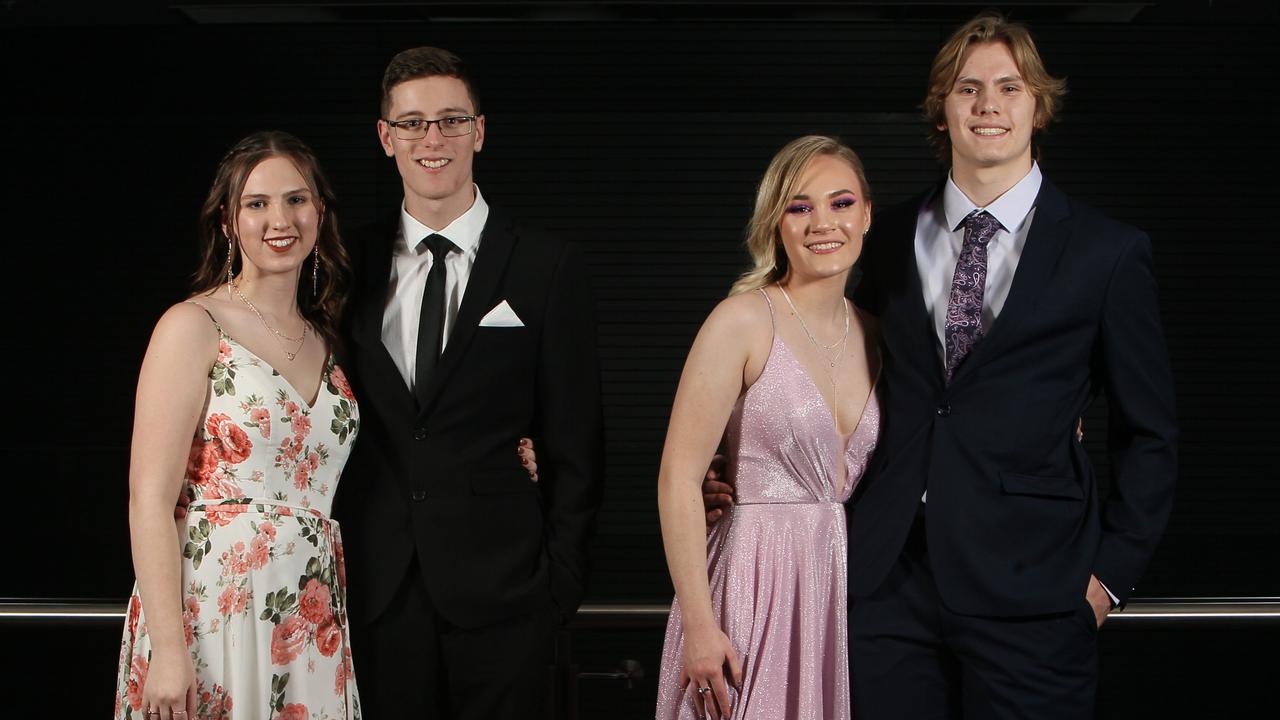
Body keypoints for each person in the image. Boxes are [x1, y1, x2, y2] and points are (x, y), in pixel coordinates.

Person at [706, 13, 1178, 719]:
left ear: (1037, 105)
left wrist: (1106, 582)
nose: (989, 105)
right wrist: (733, 458)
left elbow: (1151, 436)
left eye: (1009, 87)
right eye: (968, 88)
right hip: (887, 583)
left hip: (1035, 595)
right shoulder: (881, 237)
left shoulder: (1107, 255)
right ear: (942, 109)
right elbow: (812, 353)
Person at [334, 46, 604, 719]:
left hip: (507, 594)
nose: (433, 139)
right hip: (378, 589)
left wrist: (558, 584)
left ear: (479, 131)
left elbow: (577, 440)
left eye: (452, 121)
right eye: (413, 123)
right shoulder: (343, 264)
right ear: (385, 137)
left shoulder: (547, 266)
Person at [115, 131, 362, 719]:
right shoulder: (193, 323)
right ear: (228, 223)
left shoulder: (329, 340)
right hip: (211, 609)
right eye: (257, 204)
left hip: (308, 608)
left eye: (296, 200)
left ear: (319, 213)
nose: (280, 219)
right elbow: (148, 499)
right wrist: (169, 653)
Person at [654, 136, 880, 720]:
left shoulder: (880, 335)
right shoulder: (743, 320)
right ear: (775, 222)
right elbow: (679, 478)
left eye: (841, 202)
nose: (822, 222)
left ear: (867, 215)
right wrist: (701, 627)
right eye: (800, 206)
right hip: (751, 587)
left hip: (840, 591)